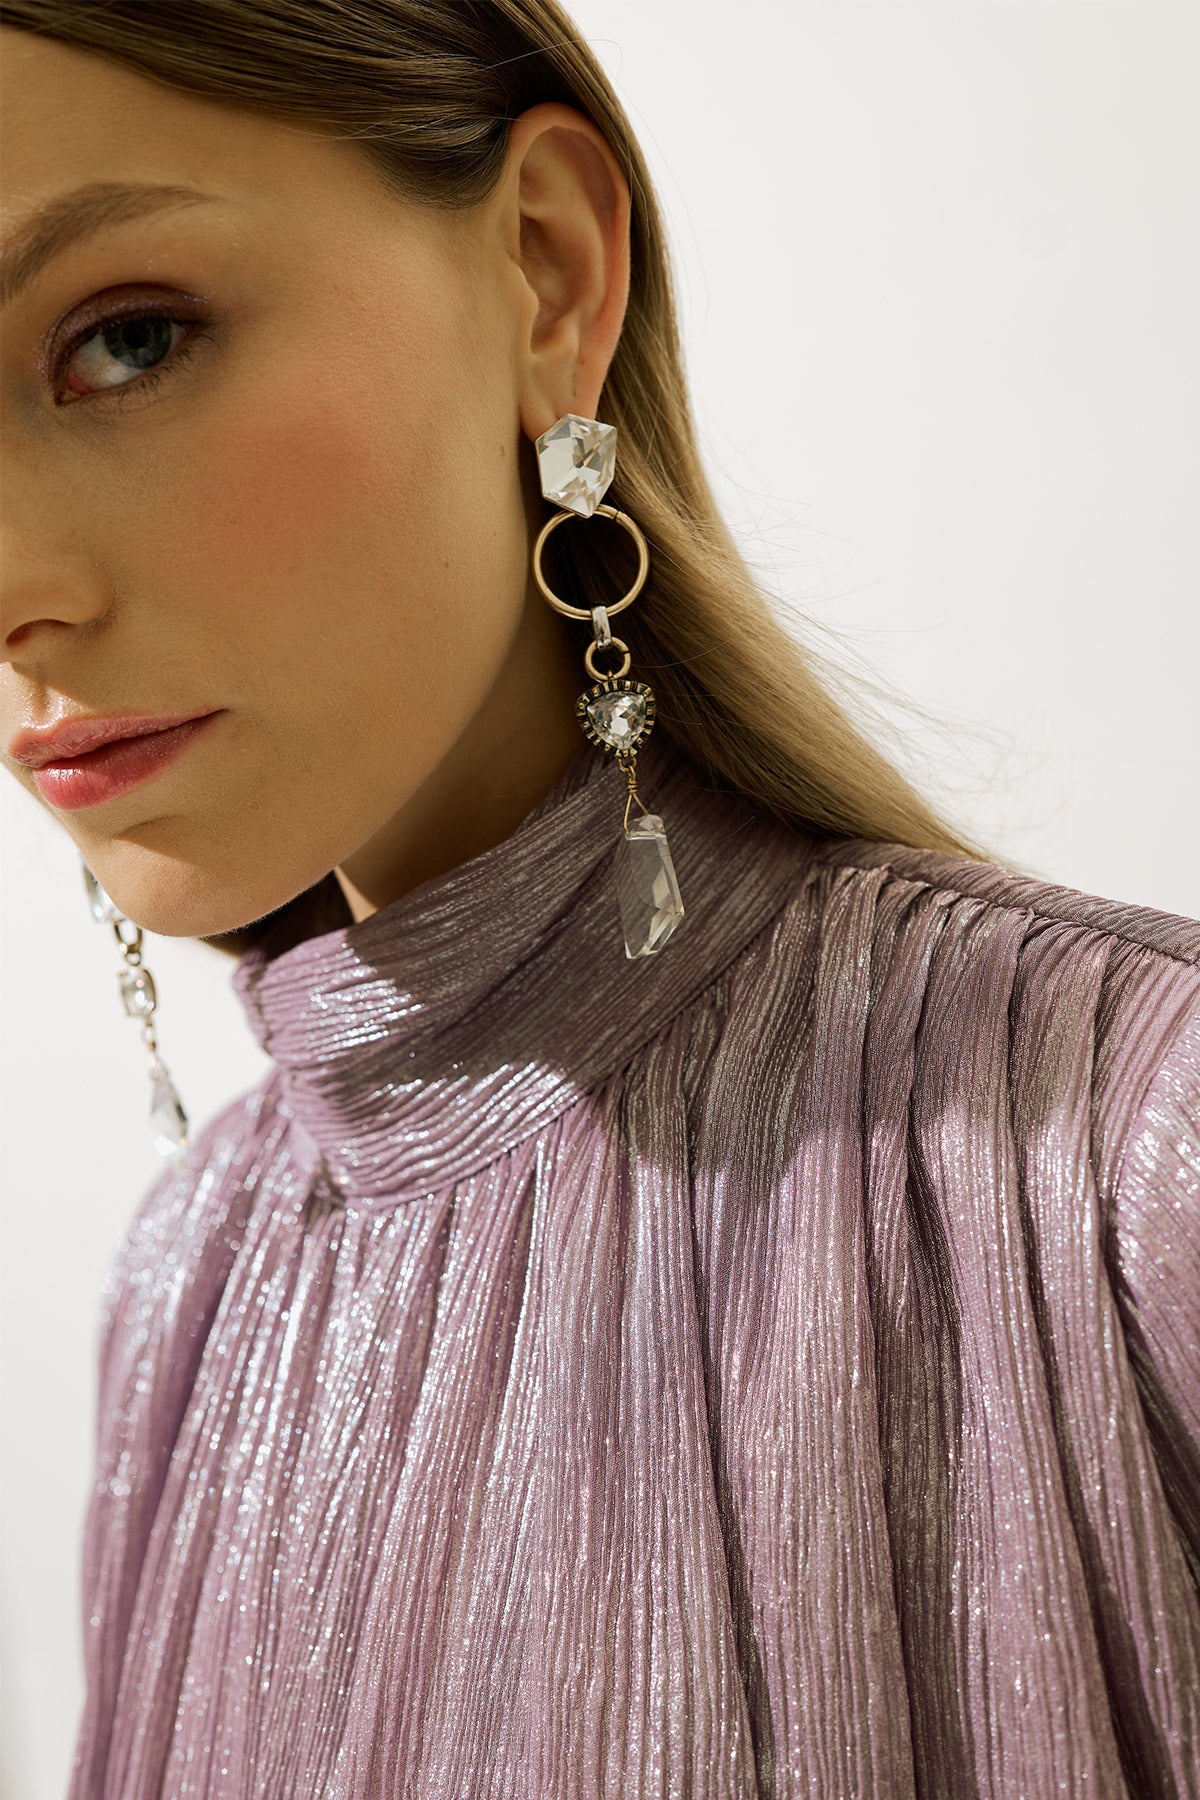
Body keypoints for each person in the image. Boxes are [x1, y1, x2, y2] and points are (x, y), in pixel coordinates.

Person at [1, 4, 1196, 1795]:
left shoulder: (1133, 1167)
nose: (13, 587)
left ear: (547, 275)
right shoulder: (184, 1295)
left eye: (127, 339)